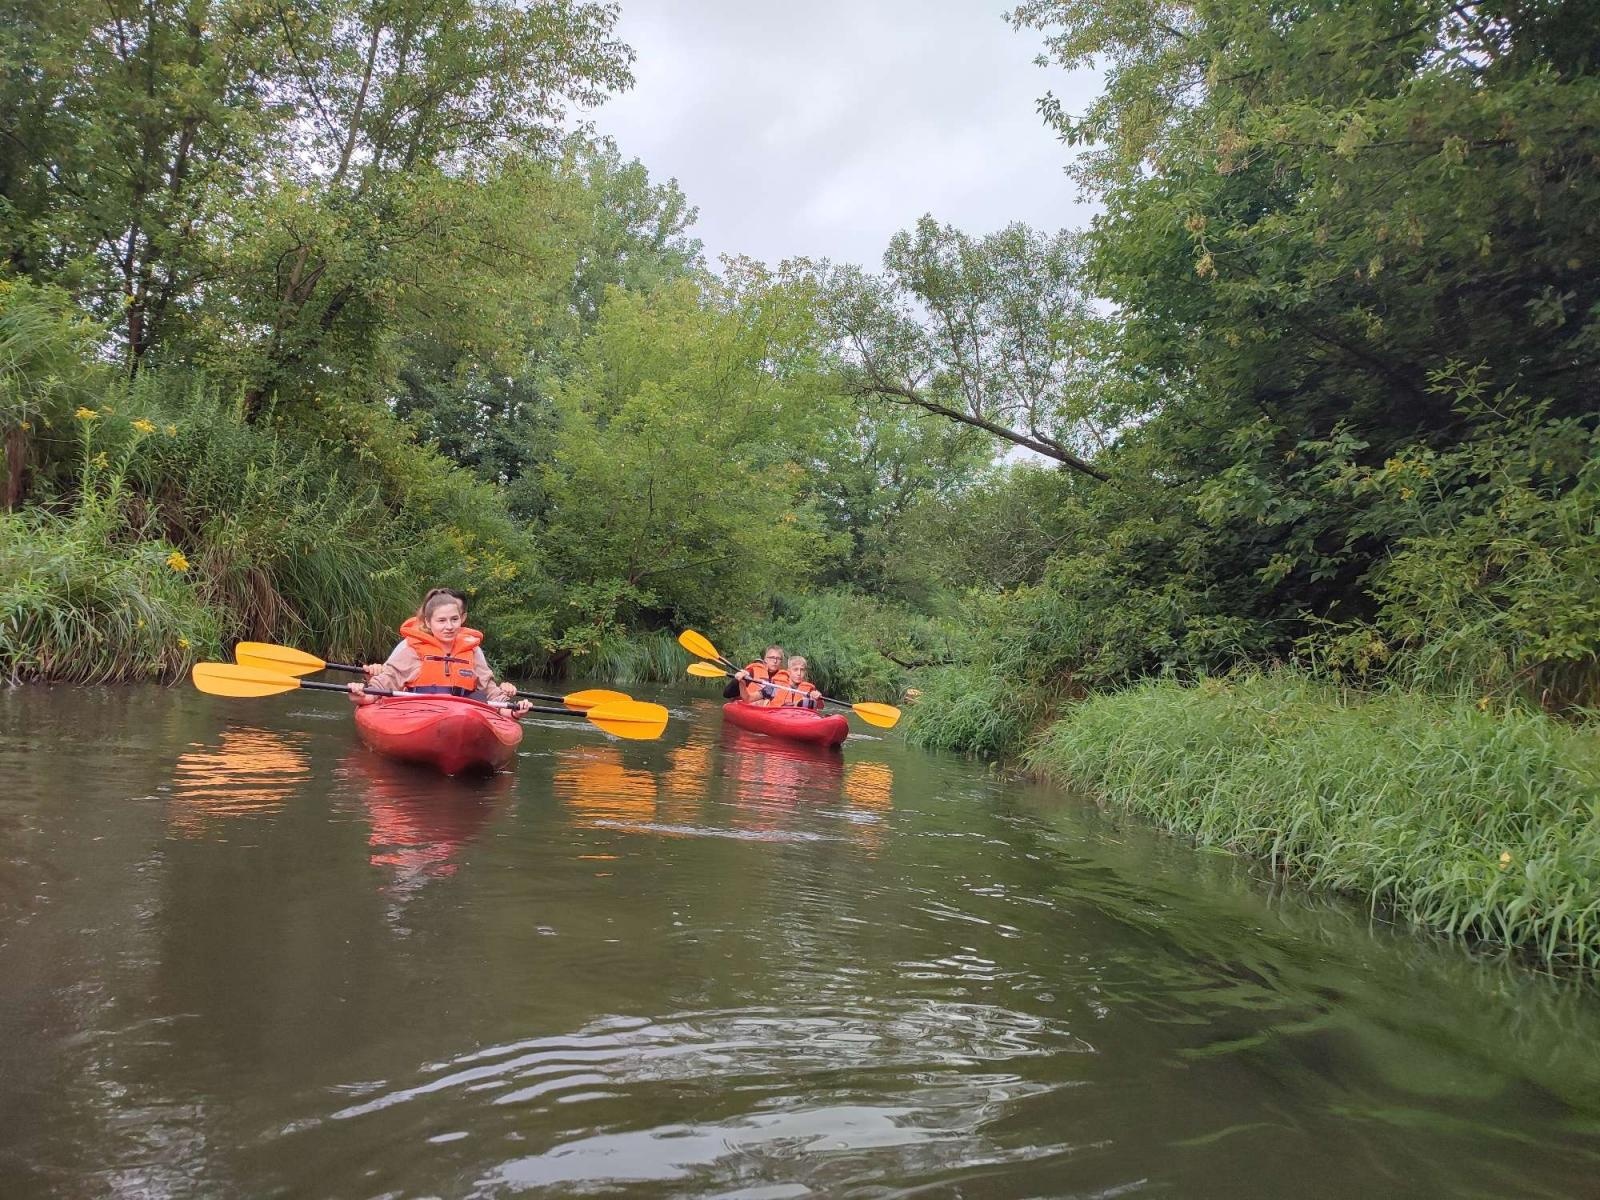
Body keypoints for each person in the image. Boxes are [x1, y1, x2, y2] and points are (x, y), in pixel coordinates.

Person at [349, 588, 532, 713]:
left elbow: (492, 694)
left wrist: (515, 710)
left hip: (462, 713)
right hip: (419, 712)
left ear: (462, 619)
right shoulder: (412, 648)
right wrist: (361, 693)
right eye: (442, 621)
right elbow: (383, 686)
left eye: (454, 620)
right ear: (428, 622)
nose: (449, 626)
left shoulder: (472, 651)